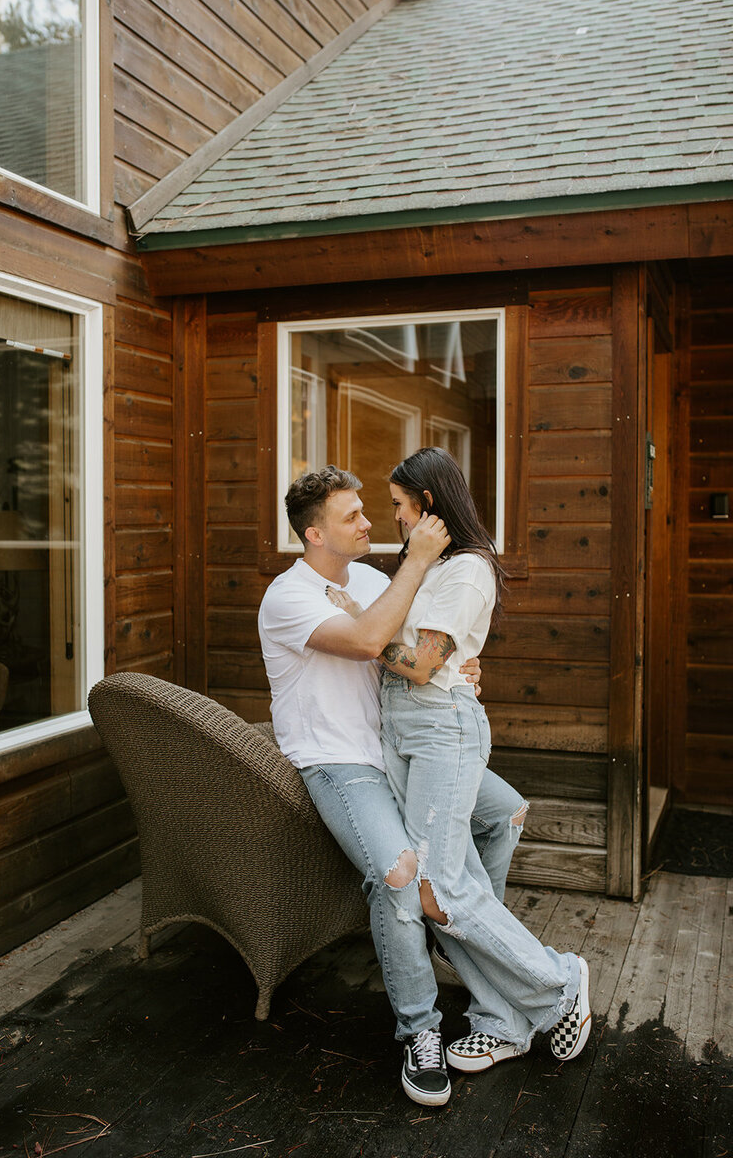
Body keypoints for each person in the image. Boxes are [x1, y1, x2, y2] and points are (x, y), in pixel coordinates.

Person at [258, 465, 528, 1107]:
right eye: (352, 516)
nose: (369, 524)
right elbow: (372, 638)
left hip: (402, 750)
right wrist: (421, 558)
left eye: (368, 510)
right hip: (341, 763)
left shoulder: (376, 578)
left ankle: (462, 942)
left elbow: (421, 652)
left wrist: (460, 667)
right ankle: (420, 1030)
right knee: (400, 875)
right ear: (315, 533)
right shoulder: (289, 596)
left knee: (506, 813)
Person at [369, 448, 591, 1076]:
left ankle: (559, 982)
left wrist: (362, 634)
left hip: (442, 731)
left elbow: (422, 665)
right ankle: (503, 1021)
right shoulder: (431, 567)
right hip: (410, 729)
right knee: (439, 888)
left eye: (398, 506)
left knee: (439, 891)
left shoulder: (466, 569)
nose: (393, 519)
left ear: (427, 506)